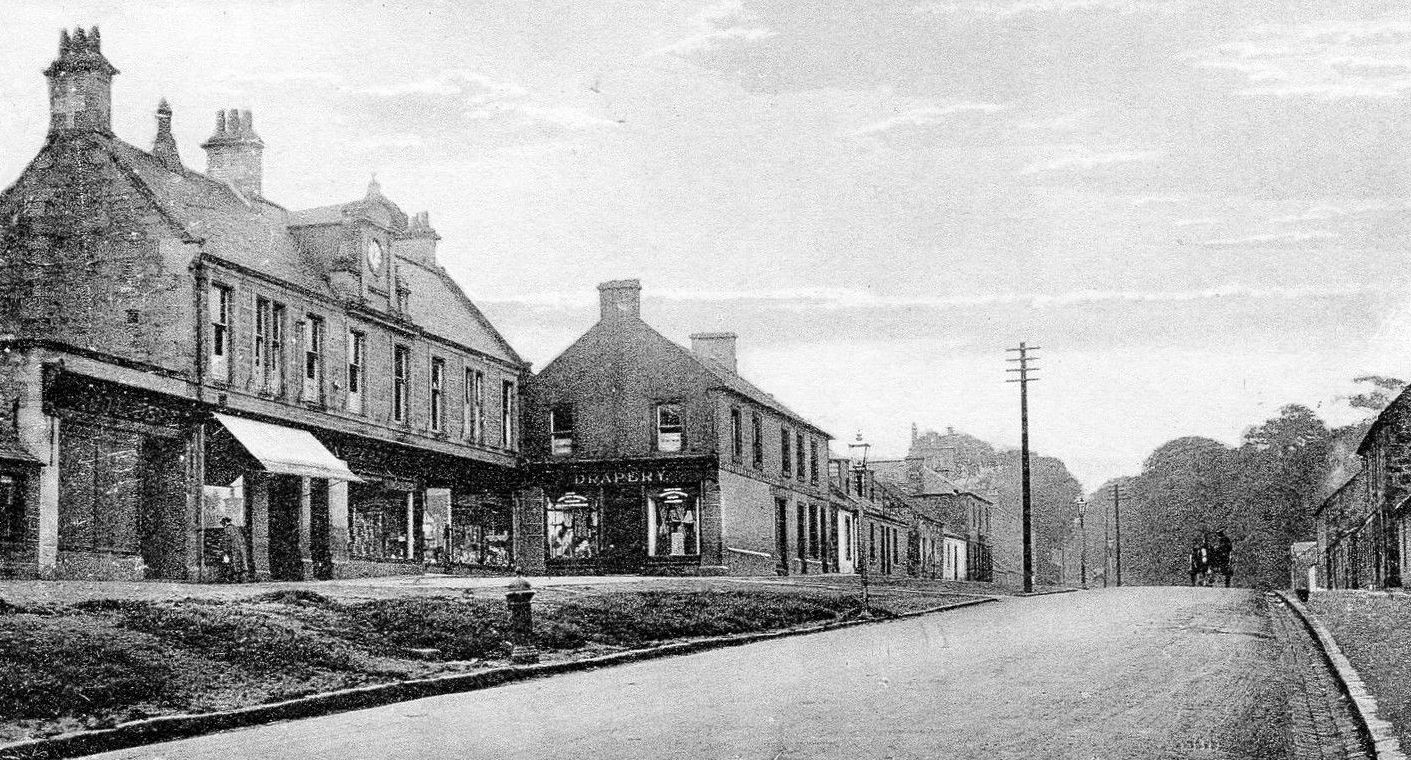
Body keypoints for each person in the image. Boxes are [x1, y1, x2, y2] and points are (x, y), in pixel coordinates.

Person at [219, 517, 249, 583]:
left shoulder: (227, 529)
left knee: (233, 564)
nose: (222, 525)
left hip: (233, 549)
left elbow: (226, 540)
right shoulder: (236, 528)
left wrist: (224, 550)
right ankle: (243, 579)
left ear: (225, 522)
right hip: (240, 548)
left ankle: (235, 579)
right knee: (241, 563)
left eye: (222, 523)